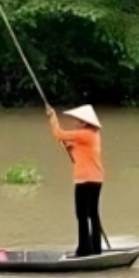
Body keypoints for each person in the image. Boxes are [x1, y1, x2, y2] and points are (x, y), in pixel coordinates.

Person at [46, 105, 104, 257]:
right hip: (97, 178)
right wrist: (69, 146)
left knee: (81, 214)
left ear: (85, 122)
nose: (76, 122)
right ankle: (96, 247)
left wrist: (52, 116)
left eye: (78, 120)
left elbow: (59, 134)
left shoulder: (84, 134)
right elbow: (74, 146)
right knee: (92, 213)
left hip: (85, 180)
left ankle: (84, 249)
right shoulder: (94, 134)